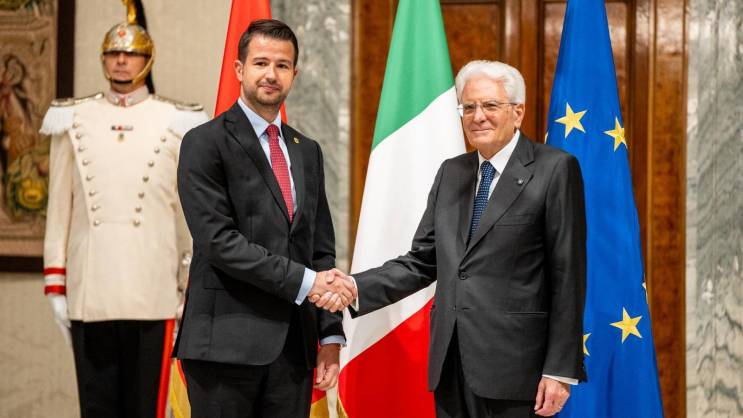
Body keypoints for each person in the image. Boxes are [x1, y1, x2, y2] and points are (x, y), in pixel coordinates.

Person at [317, 60, 587, 417]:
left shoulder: (554, 169)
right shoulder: (451, 172)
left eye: (490, 105)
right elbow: (422, 261)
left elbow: (568, 276)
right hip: (450, 364)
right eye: (469, 107)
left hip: (518, 369)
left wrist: (559, 370)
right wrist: (353, 286)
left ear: (518, 112)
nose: (478, 116)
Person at [174, 19, 356, 418]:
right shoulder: (204, 142)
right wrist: (307, 282)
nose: (271, 74)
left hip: (293, 352)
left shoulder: (307, 150)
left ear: (294, 74)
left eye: (282, 65)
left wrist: (329, 333)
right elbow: (219, 242)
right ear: (240, 70)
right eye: (260, 63)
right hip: (223, 348)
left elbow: (320, 249)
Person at [40, 8, 207, 418]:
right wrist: (56, 283)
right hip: (91, 289)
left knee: (145, 408)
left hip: (153, 290)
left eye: (130, 54)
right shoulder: (72, 118)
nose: (120, 61)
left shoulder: (178, 120)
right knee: (96, 406)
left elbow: (186, 215)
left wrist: (188, 283)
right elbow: (59, 209)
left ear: (147, 59)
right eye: (113, 53)